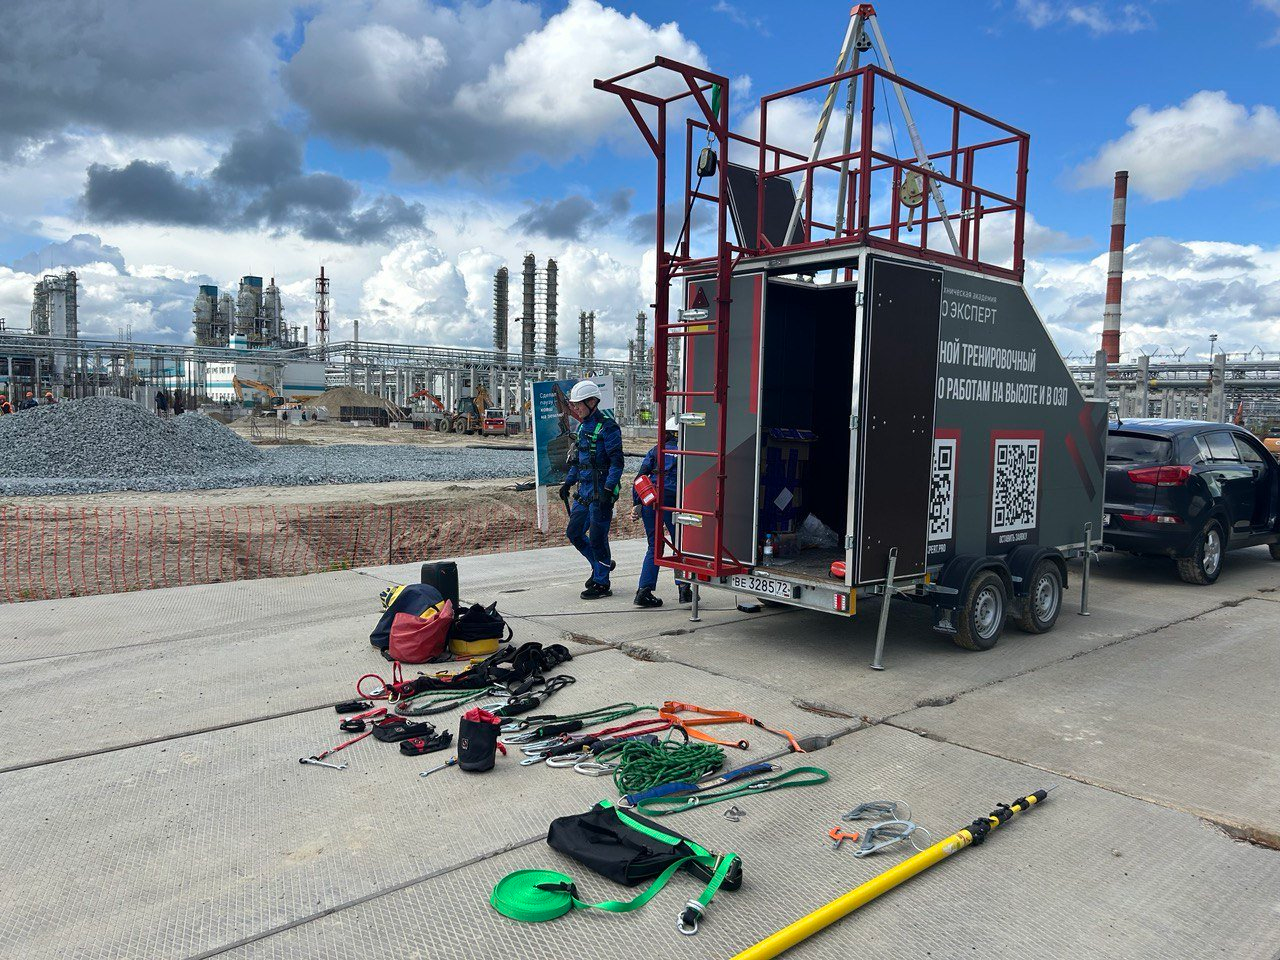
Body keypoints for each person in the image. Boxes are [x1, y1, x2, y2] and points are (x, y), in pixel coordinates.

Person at [560, 380, 625, 599]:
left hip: (600, 494)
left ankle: (602, 582)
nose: (575, 408)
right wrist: (568, 483)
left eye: (578, 404)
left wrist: (608, 489)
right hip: (584, 493)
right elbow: (579, 461)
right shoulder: (581, 428)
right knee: (574, 533)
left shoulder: (609, 427)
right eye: (574, 404)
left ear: (592, 402)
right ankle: (600, 566)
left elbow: (617, 463)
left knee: (598, 539)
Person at [632, 417, 693, 607]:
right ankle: (684, 589)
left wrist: (637, 503)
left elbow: (640, 477)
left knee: (654, 546)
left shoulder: (656, 450)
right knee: (680, 546)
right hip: (674, 503)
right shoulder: (687, 452)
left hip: (651, 500)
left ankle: (644, 591)